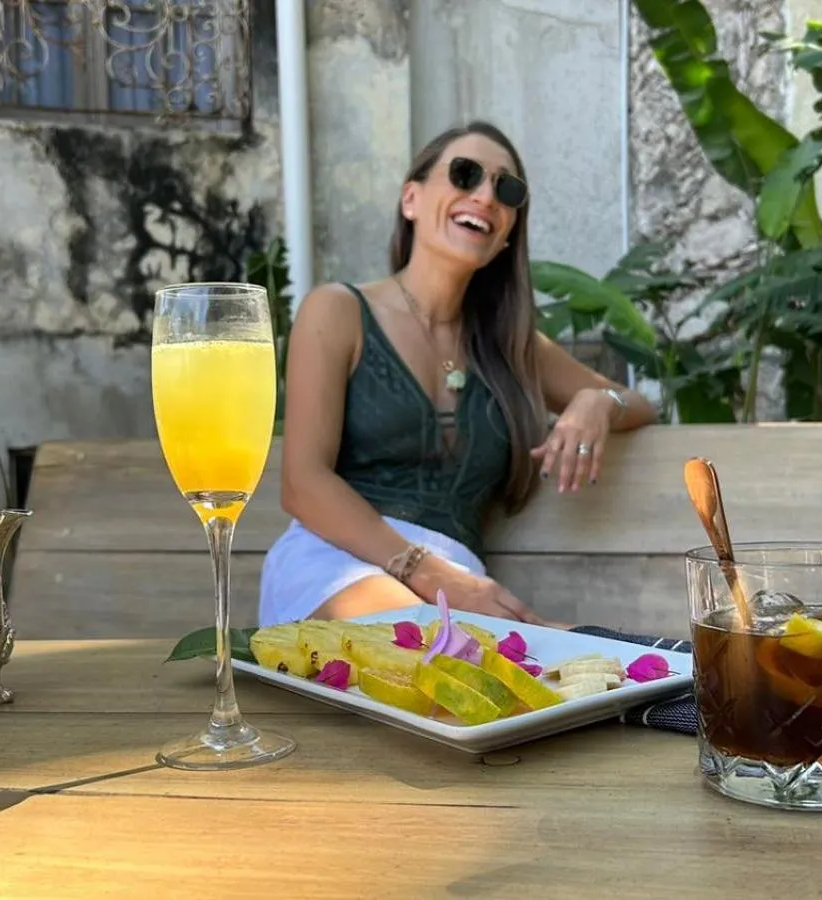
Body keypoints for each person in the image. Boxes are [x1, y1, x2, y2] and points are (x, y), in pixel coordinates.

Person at [257, 120, 659, 628]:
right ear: (411, 200)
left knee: (555, 665)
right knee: (454, 648)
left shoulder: (509, 345)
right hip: (336, 568)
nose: (487, 195)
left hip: (457, 594)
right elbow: (302, 483)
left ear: (510, 232)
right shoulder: (337, 312)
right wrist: (428, 574)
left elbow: (642, 404)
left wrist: (597, 402)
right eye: (465, 174)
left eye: (507, 189)